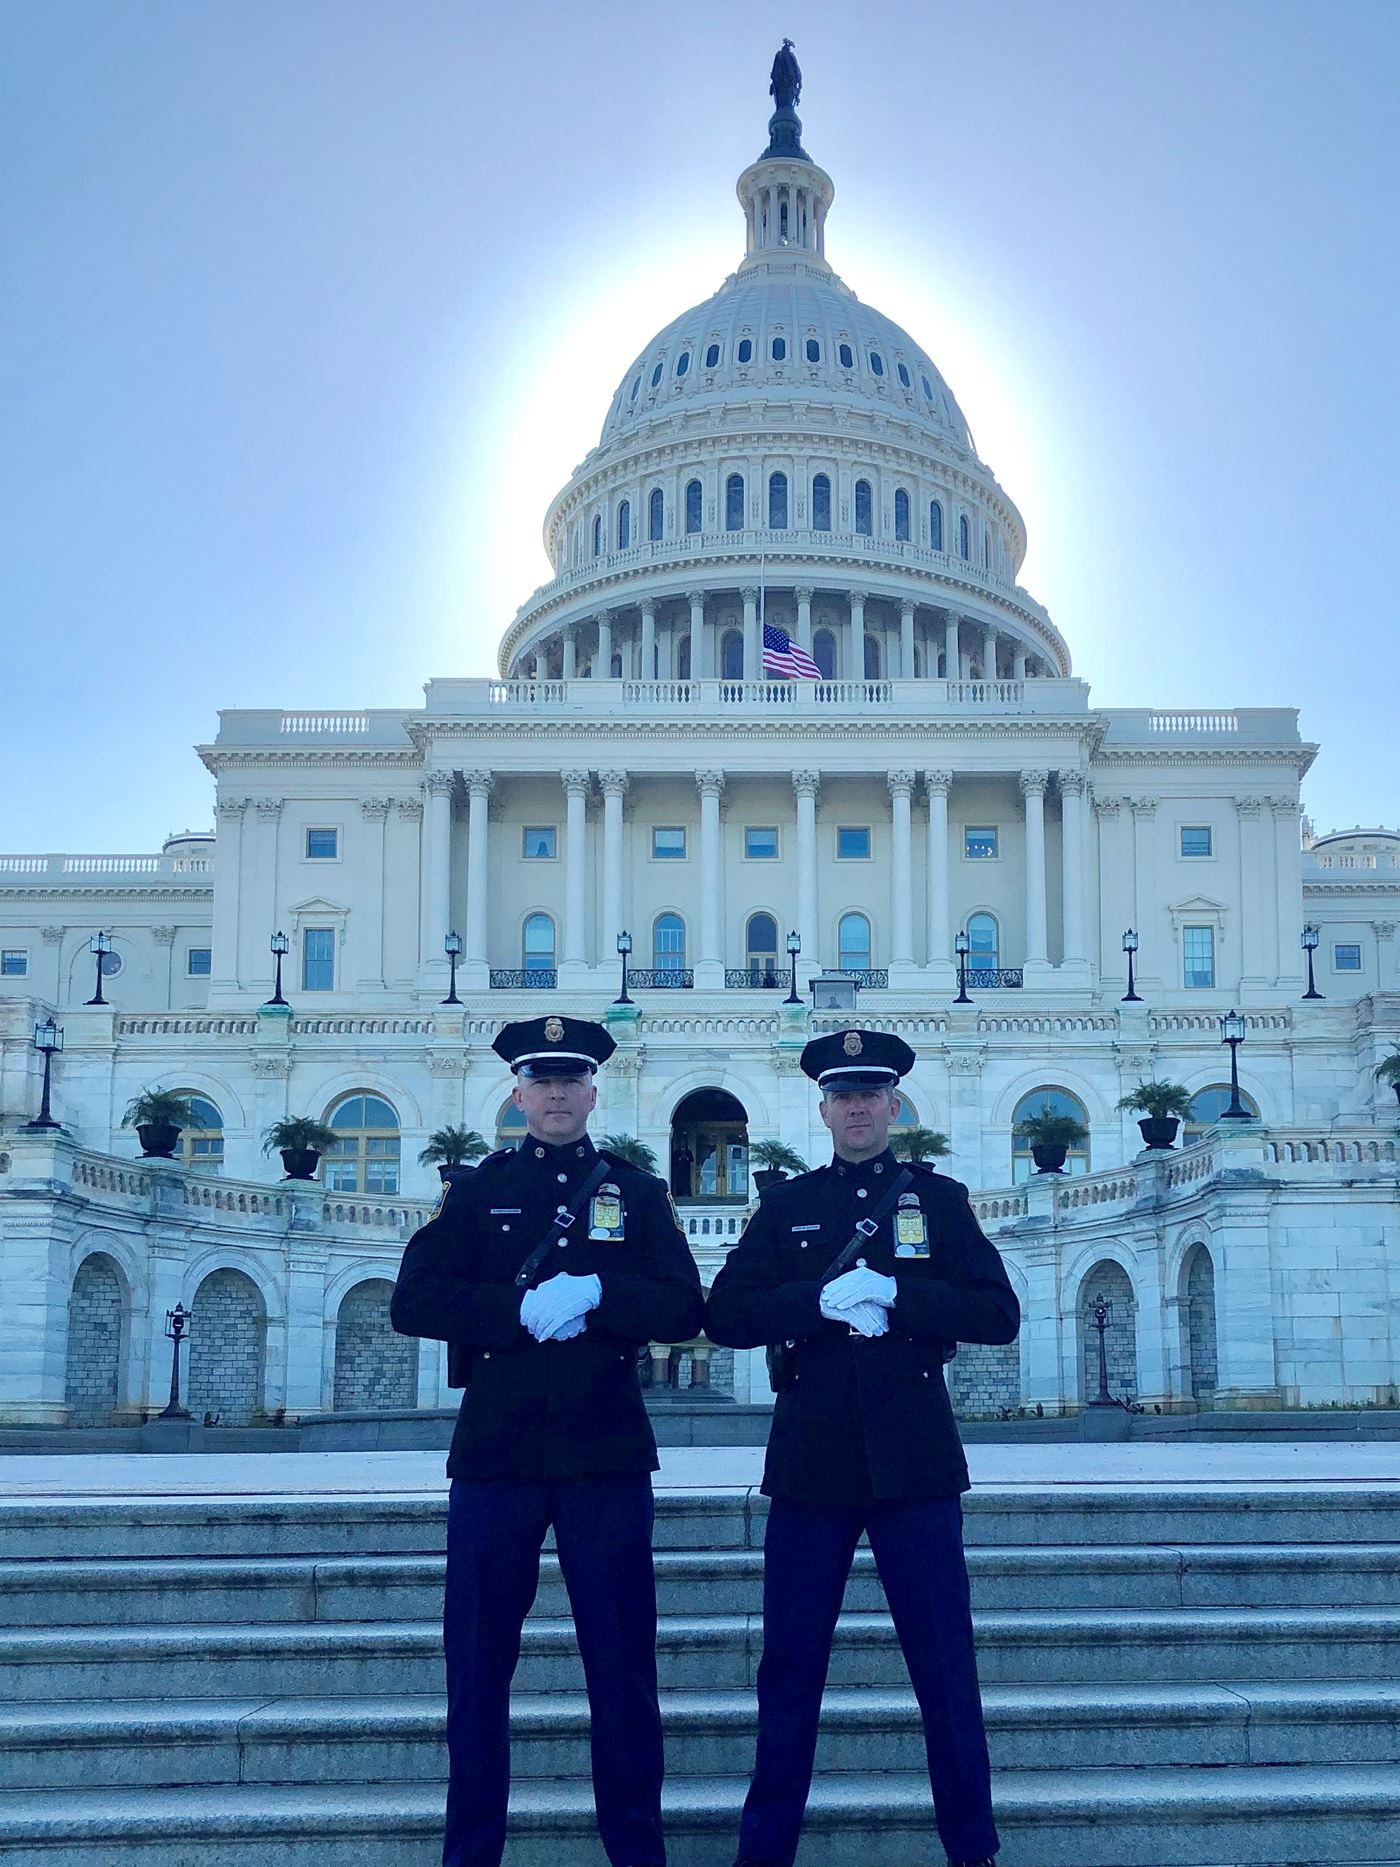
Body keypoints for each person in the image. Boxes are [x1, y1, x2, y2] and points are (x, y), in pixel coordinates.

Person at [391, 1013, 704, 1867]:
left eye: (572, 1080)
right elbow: (413, 1298)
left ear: (593, 1092)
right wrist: (514, 1311)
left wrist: (598, 1294)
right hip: (497, 1457)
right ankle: (472, 1855)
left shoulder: (634, 1193)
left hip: (604, 1456)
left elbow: (683, 1305)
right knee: (478, 1673)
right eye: (543, 1080)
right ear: (518, 1092)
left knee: (623, 1671)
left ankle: (637, 1852)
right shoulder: (478, 1190)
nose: (558, 1093)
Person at [705, 1028, 1019, 1867]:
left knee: (945, 1668)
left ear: (892, 1105)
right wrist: (819, 1300)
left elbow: (997, 1312)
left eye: (871, 1093)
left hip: (915, 1464)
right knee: (790, 1669)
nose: (856, 1106)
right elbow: (727, 1313)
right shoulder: (788, 1207)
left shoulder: (940, 1202)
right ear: (823, 1108)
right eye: (842, 1094)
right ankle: (764, 1852)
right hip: (812, 1467)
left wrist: (899, 1294)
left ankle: (973, 1848)